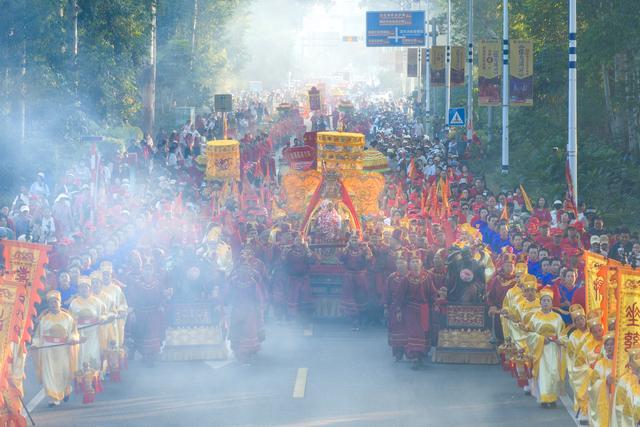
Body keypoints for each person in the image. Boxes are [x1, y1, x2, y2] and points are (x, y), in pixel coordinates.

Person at [32, 290, 80, 407]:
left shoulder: (68, 318)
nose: (54, 304)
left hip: (64, 350)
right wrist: (35, 344)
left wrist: (72, 338)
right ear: (49, 304)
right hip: (48, 350)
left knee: (64, 373)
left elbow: (74, 333)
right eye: (51, 302)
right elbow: (38, 336)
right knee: (50, 374)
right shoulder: (44, 319)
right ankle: (53, 398)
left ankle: (66, 390)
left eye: (56, 301)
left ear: (60, 303)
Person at [524, 287, 565, 408]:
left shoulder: (557, 318)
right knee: (542, 373)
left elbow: (562, 334)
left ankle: (552, 398)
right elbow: (530, 333)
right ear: (540, 302)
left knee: (553, 372)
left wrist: (559, 340)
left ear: (552, 303)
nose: (546, 303)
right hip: (540, 350)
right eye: (544, 300)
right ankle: (543, 398)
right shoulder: (535, 316)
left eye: (548, 300)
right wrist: (541, 339)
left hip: (553, 349)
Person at [228, 260, 266, 365]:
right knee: (238, 331)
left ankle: (247, 354)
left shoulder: (253, 282)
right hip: (239, 310)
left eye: (246, 269)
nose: (244, 271)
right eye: (242, 269)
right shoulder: (233, 281)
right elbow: (227, 294)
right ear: (238, 270)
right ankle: (241, 354)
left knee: (249, 332)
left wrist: (259, 308)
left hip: (249, 311)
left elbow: (258, 297)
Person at [68, 276, 108, 372]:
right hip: (80, 333)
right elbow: (70, 320)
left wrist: (102, 318)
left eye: (86, 287)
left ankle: (95, 376)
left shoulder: (97, 302)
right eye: (82, 287)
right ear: (79, 289)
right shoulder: (74, 303)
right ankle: (82, 377)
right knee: (81, 355)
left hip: (94, 333)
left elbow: (104, 313)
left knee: (93, 354)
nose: (84, 289)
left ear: (90, 289)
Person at [573, 316, 605, 423]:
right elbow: (579, 363)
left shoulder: (608, 343)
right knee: (588, 384)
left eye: (600, 330)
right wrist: (589, 370)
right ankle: (585, 412)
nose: (598, 333)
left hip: (604, 374)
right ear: (591, 333)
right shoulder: (587, 345)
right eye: (595, 332)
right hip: (590, 374)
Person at [403, 253, 433, 370]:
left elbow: (432, 292)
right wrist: (398, 310)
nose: (415, 264)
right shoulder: (406, 279)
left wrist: (437, 300)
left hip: (424, 309)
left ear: (421, 265)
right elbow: (400, 296)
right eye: (413, 262)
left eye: (417, 262)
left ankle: (421, 355)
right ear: (409, 265)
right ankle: (415, 358)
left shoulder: (427, 277)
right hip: (411, 309)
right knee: (414, 334)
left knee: (424, 332)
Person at [339, 235, 373, 330]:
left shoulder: (364, 249)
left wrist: (368, 251)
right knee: (350, 298)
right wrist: (345, 249)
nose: (354, 241)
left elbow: (369, 260)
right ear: (350, 241)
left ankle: (362, 318)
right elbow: (341, 259)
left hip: (361, 277)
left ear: (359, 241)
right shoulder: (346, 250)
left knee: (362, 297)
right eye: (352, 239)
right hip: (349, 277)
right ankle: (353, 320)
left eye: (356, 239)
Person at [282, 233, 316, 320]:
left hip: (304, 278)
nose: (298, 241)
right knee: (292, 297)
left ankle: (304, 316)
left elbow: (312, 260)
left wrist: (307, 249)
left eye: (300, 239)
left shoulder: (306, 251)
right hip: (292, 278)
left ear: (303, 241)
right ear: (294, 241)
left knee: (305, 297)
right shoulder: (289, 251)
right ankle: (291, 316)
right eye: (297, 239)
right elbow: (284, 262)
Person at [587, 332, 614, 427]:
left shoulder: (621, 365)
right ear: (605, 347)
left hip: (615, 399)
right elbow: (592, 385)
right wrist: (605, 382)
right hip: (604, 398)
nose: (610, 347)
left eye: (612, 344)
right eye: (607, 345)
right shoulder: (599, 364)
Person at [100, 261, 129, 349]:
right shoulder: (97, 288)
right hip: (101, 321)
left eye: (107, 275)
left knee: (114, 345)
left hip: (114, 320)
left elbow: (122, 303)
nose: (105, 277)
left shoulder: (117, 289)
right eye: (103, 275)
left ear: (111, 276)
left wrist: (121, 311)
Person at [386, 256, 409, 362]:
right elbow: (387, 294)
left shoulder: (411, 276)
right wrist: (386, 307)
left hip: (408, 307)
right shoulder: (391, 277)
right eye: (398, 263)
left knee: (408, 331)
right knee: (395, 330)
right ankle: (398, 353)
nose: (400, 265)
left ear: (406, 264)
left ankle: (409, 353)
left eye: (402, 263)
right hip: (394, 307)